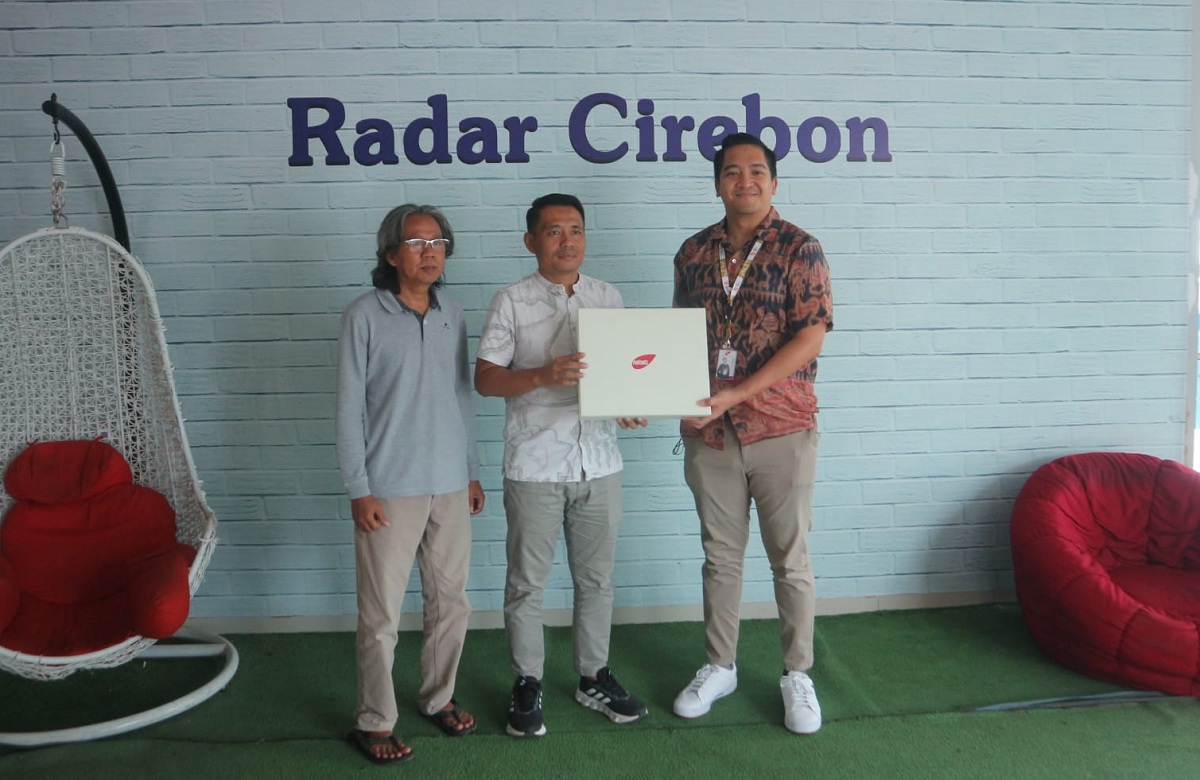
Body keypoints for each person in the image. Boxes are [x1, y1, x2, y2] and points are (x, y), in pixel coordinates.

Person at [670, 133, 833, 735]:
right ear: (717, 183)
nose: (746, 181)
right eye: (733, 172)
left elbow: (811, 336)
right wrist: (665, 396)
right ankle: (720, 666)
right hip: (710, 434)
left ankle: (797, 674)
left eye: (757, 171)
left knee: (790, 559)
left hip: (781, 428)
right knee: (719, 556)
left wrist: (738, 393)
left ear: (774, 181)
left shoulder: (800, 248)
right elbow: (678, 336)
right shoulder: (693, 252)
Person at [475, 193, 649, 738]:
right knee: (527, 585)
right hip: (535, 465)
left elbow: (622, 372)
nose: (567, 241)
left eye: (575, 230)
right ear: (531, 241)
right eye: (553, 231)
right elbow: (485, 379)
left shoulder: (607, 297)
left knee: (596, 580)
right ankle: (527, 681)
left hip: (599, 463)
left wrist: (627, 402)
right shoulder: (511, 301)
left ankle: (593, 675)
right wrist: (541, 375)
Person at [336, 204, 486, 764]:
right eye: (417, 242)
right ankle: (374, 721)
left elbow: (461, 396)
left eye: (438, 242)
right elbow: (349, 407)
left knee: (452, 603)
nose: (430, 252)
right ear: (391, 254)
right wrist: (359, 488)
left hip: (450, 484)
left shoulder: (453, 314)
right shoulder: (363, 315)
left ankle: (437, 697)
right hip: (388, 488)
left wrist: (471, 470)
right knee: (381, 618)